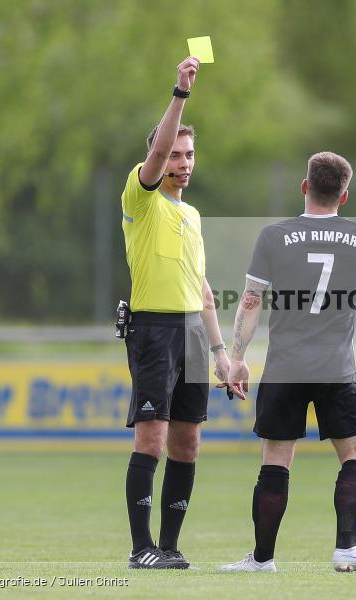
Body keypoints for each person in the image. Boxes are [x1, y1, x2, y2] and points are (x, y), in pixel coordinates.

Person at [217, 152, 356, 574]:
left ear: (304, 187)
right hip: (336, 367)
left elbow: (250, 300)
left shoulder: (274, 236)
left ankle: (262, 559)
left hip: (285, 366)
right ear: (345, 194)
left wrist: (238, 358)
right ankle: (347, 548)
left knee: (275, 461)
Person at [120, 55, 236, 569]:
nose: (183, 161)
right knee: (154, 435)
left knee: (188, 443)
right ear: (157, 158)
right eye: (175, 154)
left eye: (189, 154)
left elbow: (204, 291)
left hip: (192, 332)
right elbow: (159, 146)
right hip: (154, 330)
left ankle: (169, 547)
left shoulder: (191, 215)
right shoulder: (141, 200)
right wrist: (181, 92)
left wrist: (223, 354)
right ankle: (140, 548)